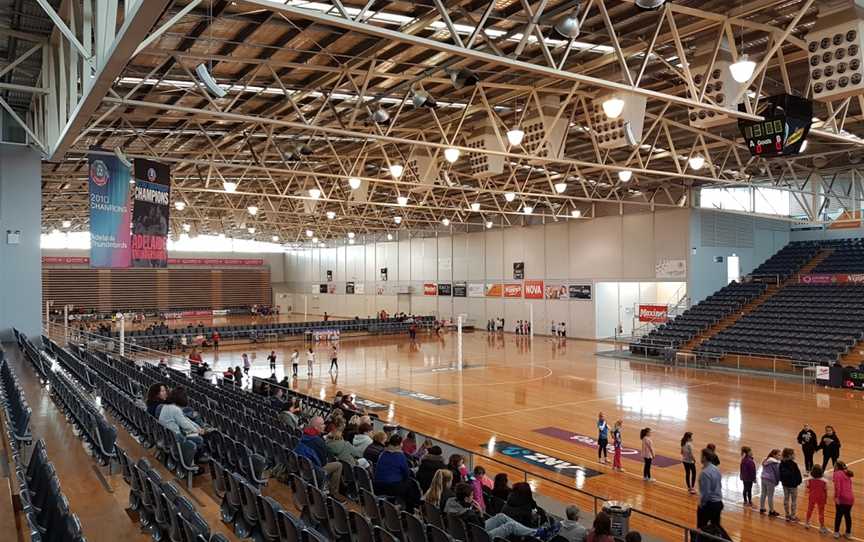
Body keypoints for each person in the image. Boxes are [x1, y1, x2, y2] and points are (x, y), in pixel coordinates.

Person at [443, 483, 559, 541]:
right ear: (466, 498)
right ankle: (537, 533)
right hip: (481, 537)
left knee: (501, 516)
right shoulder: (470, 514)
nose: (473, 497)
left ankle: (536, 532)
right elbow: (481, 528)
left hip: (470, 531)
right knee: (511, 525)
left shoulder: (451, 502)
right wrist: (481, 513)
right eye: (471, 495)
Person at [294, 416, 344, 500]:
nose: (324, 426)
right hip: (313, 469)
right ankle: (333, 494)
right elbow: (323, 463)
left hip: (303, 465)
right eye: (322, 424)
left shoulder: (305, 434)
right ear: (316, 427)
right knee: (338, 465)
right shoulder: (318, 441)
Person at [158, 387, 208, 461]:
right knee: (199, 439)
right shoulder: (175, 409)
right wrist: (198, 431)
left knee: (194, 434)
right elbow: (185, 424)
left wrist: (197, 428)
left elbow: (185, 419)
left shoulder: (166, 406)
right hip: (175, 438)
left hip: (168, 436)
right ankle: (195, 461)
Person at [374, 434, 421, 512]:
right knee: (411, 484)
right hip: (392, 487)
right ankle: (410, 510)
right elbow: (406, 473)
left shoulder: (382, 453)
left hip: (377, 485)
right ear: (400, 444)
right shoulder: (400, 456)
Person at [697, 448, 723, 529]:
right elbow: (719, 485)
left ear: (704, 458)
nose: (700, 458)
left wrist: (701, 504)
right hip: (718, 503)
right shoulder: (716, 469)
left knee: (702, 527)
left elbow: (706, 493)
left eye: (701, 456)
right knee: (716, 528)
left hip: (709, 504)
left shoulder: (704, 473)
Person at [833, 460, 854, 539]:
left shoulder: (836, 474)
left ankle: (836, 532)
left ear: (837, 467)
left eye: (835, 465)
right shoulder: (847, 473)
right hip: (850, 498)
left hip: (842, 498)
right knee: (847, 515)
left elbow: (838, 487)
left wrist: (836, 497)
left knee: (838, 515)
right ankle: (848, 533)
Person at [780, 447, 802, 522]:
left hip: (785, 485)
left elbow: (780, 475)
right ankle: (793, 516)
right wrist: (798, 482)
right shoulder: (794, 464)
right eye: (793, 454)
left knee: (786, 499)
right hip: (793, 486)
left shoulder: (781, 463)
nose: (794, 455)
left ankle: (787, 515)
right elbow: (798, 475)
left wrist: (783, 481)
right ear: (789, 455)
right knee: (794, 501)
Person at [805, 464, 829, 533]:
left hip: (812, 497)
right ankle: (821, 527)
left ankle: (807, 523)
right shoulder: (824, 481)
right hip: (821, 498)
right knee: (821, 512)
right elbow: (825, 489)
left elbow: (808, 487)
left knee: (810, 509)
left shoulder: (810, 480)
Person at [760, 448, 782, 517]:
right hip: (770, 480)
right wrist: (777, 481)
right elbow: (777, 473)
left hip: (763, 478)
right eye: (778, 455)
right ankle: (771, 511)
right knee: (770, 496)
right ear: (774, 455)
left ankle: (762, 508)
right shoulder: (776, 463)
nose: (780, 457)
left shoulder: (766, 460)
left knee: (763, 493)